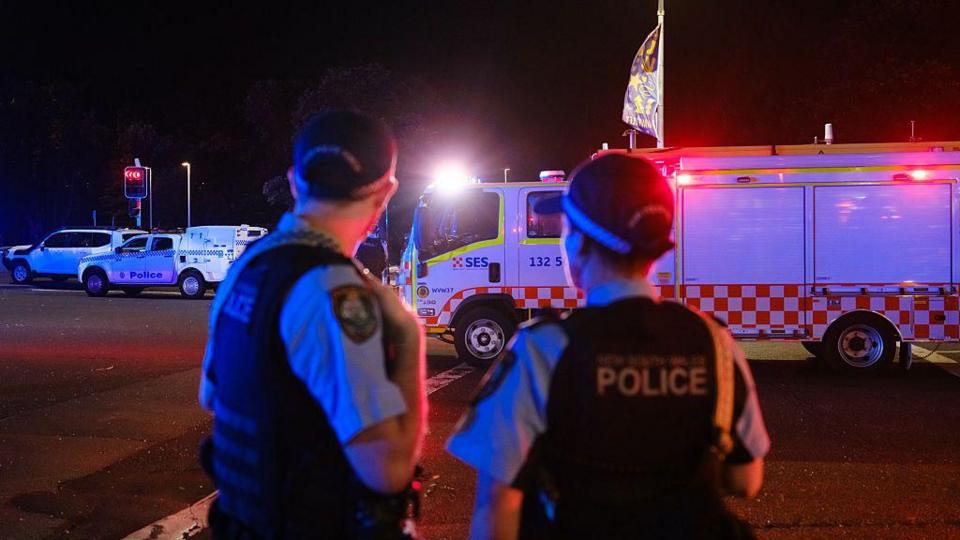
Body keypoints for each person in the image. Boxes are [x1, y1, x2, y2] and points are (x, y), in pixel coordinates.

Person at [447, 154, 770, 540]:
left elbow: (497, 507)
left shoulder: (542, 349)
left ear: (579, 243)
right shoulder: (714, 343)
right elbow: (746, 479)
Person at [198, 109, 426, 539]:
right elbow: (387, 471)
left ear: (294, 181)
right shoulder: (337, 293)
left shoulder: (246, 267)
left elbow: (212, 395)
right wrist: (411, 340)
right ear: (386, 193)